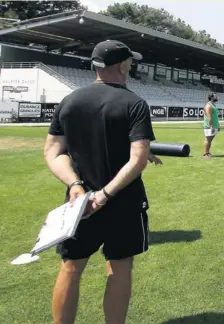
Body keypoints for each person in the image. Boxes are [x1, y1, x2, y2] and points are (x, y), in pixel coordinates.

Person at [43, 40, 162, 324]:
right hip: (123, 201)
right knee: (119, 268)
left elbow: (53, 152)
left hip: (79, 202)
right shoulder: (134, 103)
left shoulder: (69, 101)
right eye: (130, 62)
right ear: (122, 65)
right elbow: (137, 159)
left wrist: (75, 185)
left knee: (71, 268)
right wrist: (105, 195)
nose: (131, 66)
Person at [202, 93, 220, 158]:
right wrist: (211, 126)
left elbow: (215, 117)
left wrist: (218, 125)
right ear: (212, 97)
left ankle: (208, 152)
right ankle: (205, 154)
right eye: (215, 96)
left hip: (214, 126)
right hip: (209, 126)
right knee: (207, 139)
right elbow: (209, 117)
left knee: (210, 140)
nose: (217, 97)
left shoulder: (213, 105)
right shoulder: (208, 106)